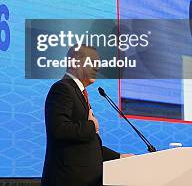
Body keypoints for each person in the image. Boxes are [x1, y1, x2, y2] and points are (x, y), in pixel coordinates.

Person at [41, 45, 132, 186]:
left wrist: (119, 157)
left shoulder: (78, 93)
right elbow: (59, 130)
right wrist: (91, 125)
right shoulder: (62, 89)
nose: (97, 68)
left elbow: (87, 146)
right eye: (93, 62)